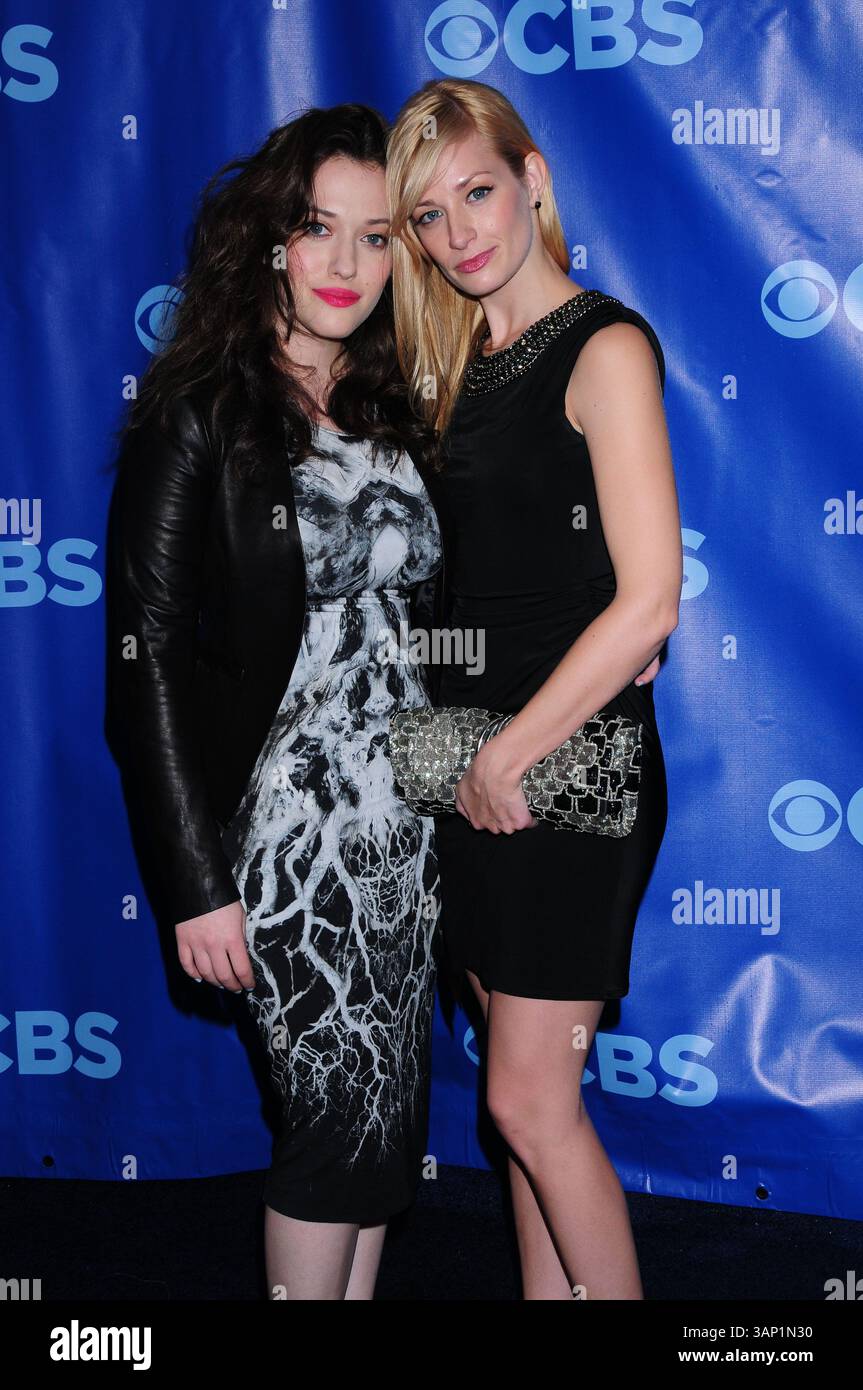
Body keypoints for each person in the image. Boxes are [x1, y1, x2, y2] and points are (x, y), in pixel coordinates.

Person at [104, 105, 444, 1300]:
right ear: (269, 242)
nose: (345, 263)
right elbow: (142, 663)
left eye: (375, 235)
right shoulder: (199, 408)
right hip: (284, 836)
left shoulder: (394, 405)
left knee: (379, 1122)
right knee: (328, 1117)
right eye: (316, 228)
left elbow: (438, 619)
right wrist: (196, 883)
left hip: (404, 830)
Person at [385, 78, 682, 1300]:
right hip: (469, 767)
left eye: (477, 192)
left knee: (524, 1100)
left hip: (563, 777)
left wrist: (508, 755)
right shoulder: (453, 366)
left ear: (533, 178)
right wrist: (455, 750)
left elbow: (648, 602)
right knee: (523, 1113)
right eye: (428, 214)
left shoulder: (602, 346)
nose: (458, 232)